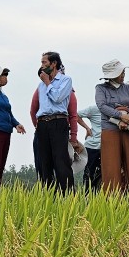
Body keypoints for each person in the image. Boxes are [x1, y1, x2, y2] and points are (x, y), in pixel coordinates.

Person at [95, 60, 129, 194]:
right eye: (121, 73)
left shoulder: (128, 88)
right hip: (110, 129)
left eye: (124, 72)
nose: (123, 75)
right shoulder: (101, 88)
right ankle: (112, 201)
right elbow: (101, 106)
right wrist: (120, 116)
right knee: (111, 167)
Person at [34, 51, 76, 190]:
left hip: (58, 122)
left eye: (44, 62)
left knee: (60, 160)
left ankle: (68, 195)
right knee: (44, 161)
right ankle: (49, 195)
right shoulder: (40, 85)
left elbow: (58, 98)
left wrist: (47, 83)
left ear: (54, 63)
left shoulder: (66, 80)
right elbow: (37, 107)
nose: (41, 65)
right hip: (43, 123)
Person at [77, 103, 102, 188]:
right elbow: (76, 115)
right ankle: (87, 196)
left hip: (108, 146)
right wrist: (87, 128)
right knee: (89, 172)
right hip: (92, 146)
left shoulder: (114, 110)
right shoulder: (94, 109)